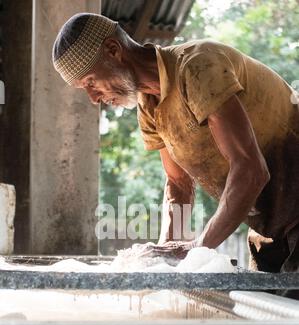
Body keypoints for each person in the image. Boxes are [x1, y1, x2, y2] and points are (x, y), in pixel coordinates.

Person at [53, 13, 299, 282]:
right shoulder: (148, 105)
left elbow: (251, 171)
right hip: (270, 230)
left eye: (90, 82)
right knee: (265, 316)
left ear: (114, 51)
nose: (92, 98)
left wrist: (196, 248)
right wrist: (164, 258)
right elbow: (178, 185)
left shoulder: (197, 67)